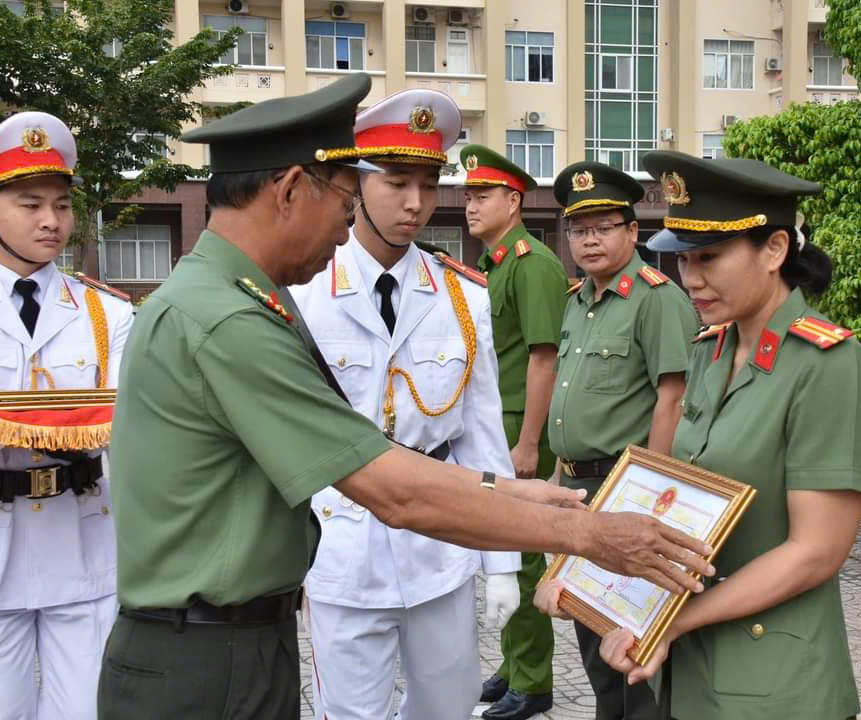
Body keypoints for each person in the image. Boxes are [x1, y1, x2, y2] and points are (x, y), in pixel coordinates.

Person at [98, 73, 716, 720]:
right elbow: (388, 486)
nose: (345, 229)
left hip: (261, 629)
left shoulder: (236, 299)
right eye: (345, 201)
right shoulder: (230, 319)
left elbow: (456, 440)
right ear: (288, 189)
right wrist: (589, 534)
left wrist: (509, 496)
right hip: (212, 651)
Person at [541, 151, 861, 720]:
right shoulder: (712, 350)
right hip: (691, 671)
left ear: (774, 250)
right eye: (683, 259)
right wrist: (586, 579)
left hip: (774, 682)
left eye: (709, 257)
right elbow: (676, 496)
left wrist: (670, 624)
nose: (692, 279)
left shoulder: (828, 366)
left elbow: (815, 553)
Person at [289, 88, 521, 720]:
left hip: (440, 547)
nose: (416, 203)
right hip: (339, 541)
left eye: (428, 182)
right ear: (357, 184)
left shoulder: (463, 298)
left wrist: (501, 563)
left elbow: (481, 440)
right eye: (396, 182)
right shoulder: (303, 295)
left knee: (447, 710)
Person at [0, 112, 134, 719]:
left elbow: (128, 425)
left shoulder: (107, 313)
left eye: (62, 205)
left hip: (85, 540)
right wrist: (67, 418)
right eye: (30, 203)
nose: (51, 221)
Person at [546, 161, 699, 720]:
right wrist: (558, 480)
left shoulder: (656, 299)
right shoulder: (577, 300)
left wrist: (651, 494)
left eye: (604, 227)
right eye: (578, 229)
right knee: (595, 642)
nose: (589, 239)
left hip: (625, 490)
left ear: (633, 232)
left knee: (632, 647)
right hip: (579, 488)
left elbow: (674, 399)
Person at [460, 144, 569, 720]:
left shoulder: (532, 265)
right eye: (469, 195)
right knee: (498, 555)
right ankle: (511, 667)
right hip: (492, 428)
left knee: (523, 559)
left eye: (482, 196)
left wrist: (528, 443)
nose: (470, 205)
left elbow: (542, 359)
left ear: (514, 200)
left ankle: (533, 681)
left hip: (516, 430)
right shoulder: (493, 265)